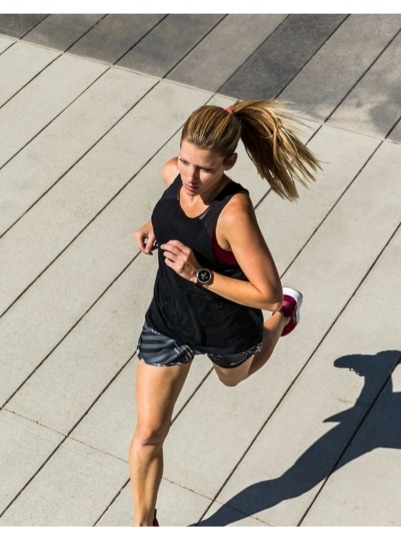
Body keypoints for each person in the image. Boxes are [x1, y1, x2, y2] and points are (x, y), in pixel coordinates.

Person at [128, 99, 320, 527]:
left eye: (205, 169)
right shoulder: (175, 174)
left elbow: (266, 293)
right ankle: (144, 526)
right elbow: (172, 210)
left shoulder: (234, 214)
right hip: (169, 320)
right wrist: (153, 226)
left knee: (234, 377)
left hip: (225, 326)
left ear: (229, 163)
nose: (190, 177)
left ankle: (286, 320)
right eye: (185, 161)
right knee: (148, 434)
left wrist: (200, 275)